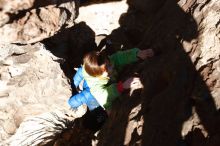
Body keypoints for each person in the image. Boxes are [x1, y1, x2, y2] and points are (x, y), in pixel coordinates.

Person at [68, 47, 154, 112]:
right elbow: (104, 96)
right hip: (93, 94)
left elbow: (119, 57)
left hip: (91, 75)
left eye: (109, 64)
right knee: (86, 98)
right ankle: (74, 100)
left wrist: (137, 54)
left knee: (82, 71)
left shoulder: (105, 62)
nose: (111, 67)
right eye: (107, 68)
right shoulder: (95, 89)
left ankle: (74, 83)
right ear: (97, 75)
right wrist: (121, 86)